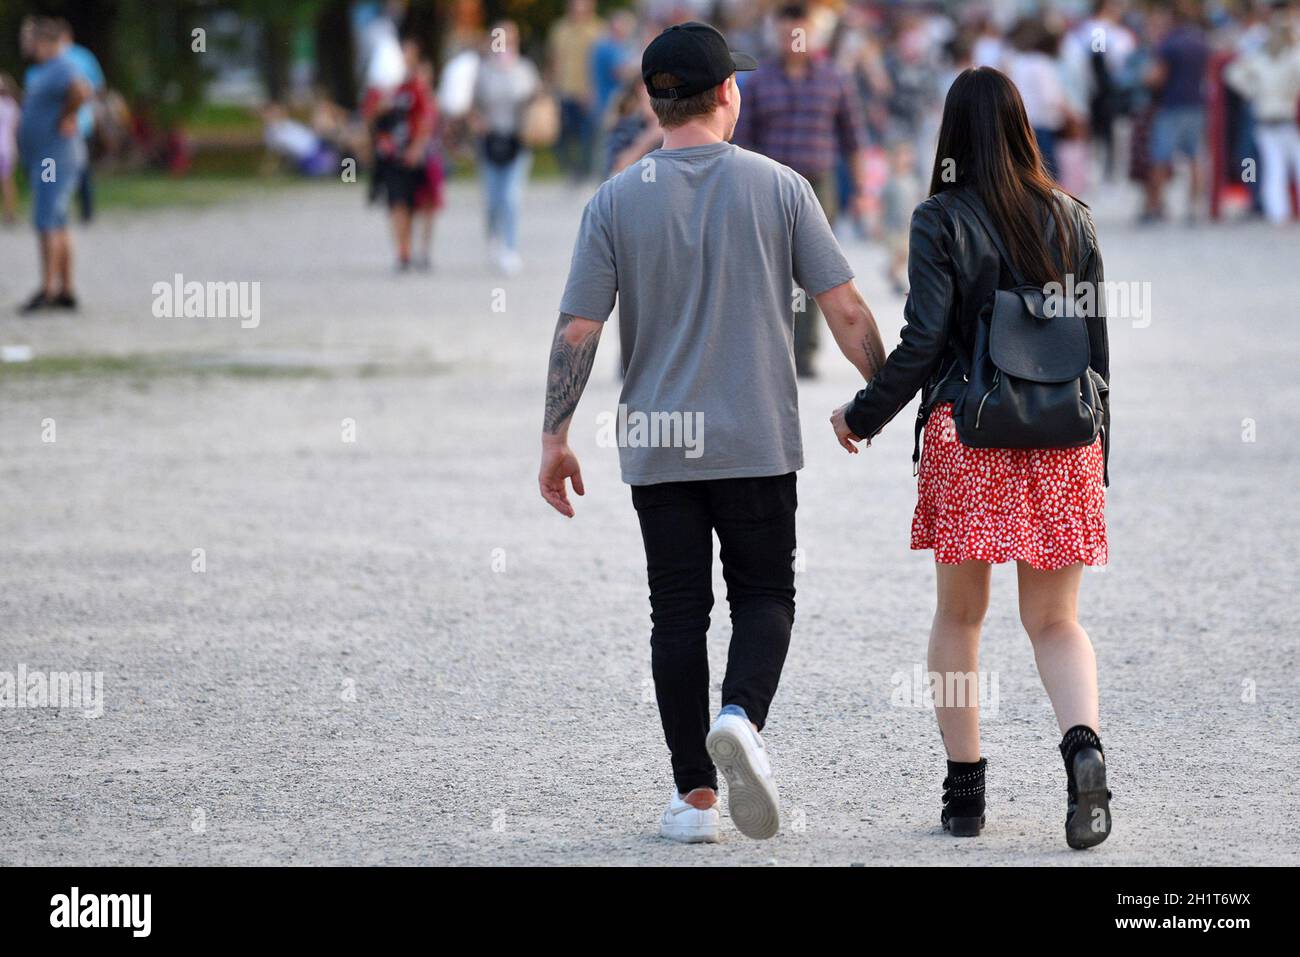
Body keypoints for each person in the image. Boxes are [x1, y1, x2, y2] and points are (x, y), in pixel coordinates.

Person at [538, 21, 886, 844]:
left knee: (677, 612)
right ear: (728, 93)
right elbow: (845, 309)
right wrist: (887, 397)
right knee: (765, 595)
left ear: (653, 102)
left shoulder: (615, 199)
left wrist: (553, 435)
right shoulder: (782, 187)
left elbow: (578, 330)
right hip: (755, 434)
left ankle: (694, 798)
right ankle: (740, 716)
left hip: (660, 443)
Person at [830, 67, 1113, 850]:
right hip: (1064, 438)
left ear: (952, 137)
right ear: (1025, 129)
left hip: (972, 434)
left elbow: (923, 342)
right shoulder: (1074, 219)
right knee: (1056, 621)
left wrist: (863, 413)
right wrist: (1101, 459)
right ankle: (1084, 751)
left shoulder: (940, 217)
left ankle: (965, 796)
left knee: (961, 614)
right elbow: (1096, 353)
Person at [731, 2, 869, 379]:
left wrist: (860, 190)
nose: (793, 41)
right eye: (786, 33)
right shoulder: (758, 82)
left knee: (815, 270)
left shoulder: (834, 79)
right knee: (769, 268)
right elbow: (740, 142)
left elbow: (853, 139)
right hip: (769, 182)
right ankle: (772, 349)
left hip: (818, 184)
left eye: (800, 33)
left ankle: (804, 352)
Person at [16, 17, 91, 313]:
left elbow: (81, 91)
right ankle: (65, 289)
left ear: (48, 43)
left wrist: (67, 116)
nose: (32, 47)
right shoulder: (46, 71)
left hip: (52, 157)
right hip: (48, 155)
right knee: (57, 220)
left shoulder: (61, 66)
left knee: (46, 219)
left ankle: (48, 289)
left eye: (35, 41)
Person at [471, 21, 539, 275]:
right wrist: (477, 122)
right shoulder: (484, 70)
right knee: (492, 198)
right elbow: (472, 104)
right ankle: (493, 239)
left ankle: (510, 248)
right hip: (490, 141)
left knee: (511, 196)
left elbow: (537, 99)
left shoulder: (524, 69)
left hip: (517, 140)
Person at [363, 37, 435, 271]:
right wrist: (379, 108)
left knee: (414, 204)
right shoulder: (379, 88)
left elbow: (426, 118)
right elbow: (366, 118)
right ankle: (402, 251)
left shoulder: (415, 87)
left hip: (412, 153)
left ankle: (412, 247)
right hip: (389, 154)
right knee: (396, 203)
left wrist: (418, 148)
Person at [1225, 8, 1300, 224]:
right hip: (1265, 118)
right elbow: (1232, 73)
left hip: (1280, 117)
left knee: (1276, 166)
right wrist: (1254, 92)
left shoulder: (1287, 57)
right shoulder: (1260, 56)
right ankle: (1260, 203)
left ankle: (1275, 210)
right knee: (1256, 163)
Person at [1145, 0, 1210, 223]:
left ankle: (1155, 206)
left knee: (1160, 157)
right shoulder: (1201, 41)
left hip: (1171, 106)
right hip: (1196, 105)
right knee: (1194, 157)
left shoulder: (1169, 44)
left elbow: (1156, 77)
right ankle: (1193, 207)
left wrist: (1142, 79)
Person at [547, 0, 604, 183]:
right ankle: (571, 170)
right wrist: (552, 88)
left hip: (587, 91)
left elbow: (598, 64)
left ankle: (584, 171)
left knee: (587, 134)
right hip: (564, 90)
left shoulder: (598, 29)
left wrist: (593, 89)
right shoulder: (560, 28)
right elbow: (554, 59)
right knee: (561, 135)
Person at [54, 19, 104, 224]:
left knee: (75, 168)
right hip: (70, 123)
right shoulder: (78, 56)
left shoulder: (71, 58)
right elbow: (98, 87)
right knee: (76, 168)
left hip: (76, 122)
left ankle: (76, 210)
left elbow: (91, 89)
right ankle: (80, 211)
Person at [0, 72, 20, 225]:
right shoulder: (12, 105)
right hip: (8, 148)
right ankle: (10, 213)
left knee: (6, 182)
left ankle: (10, 213)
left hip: (4, 149)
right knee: (7, 182)